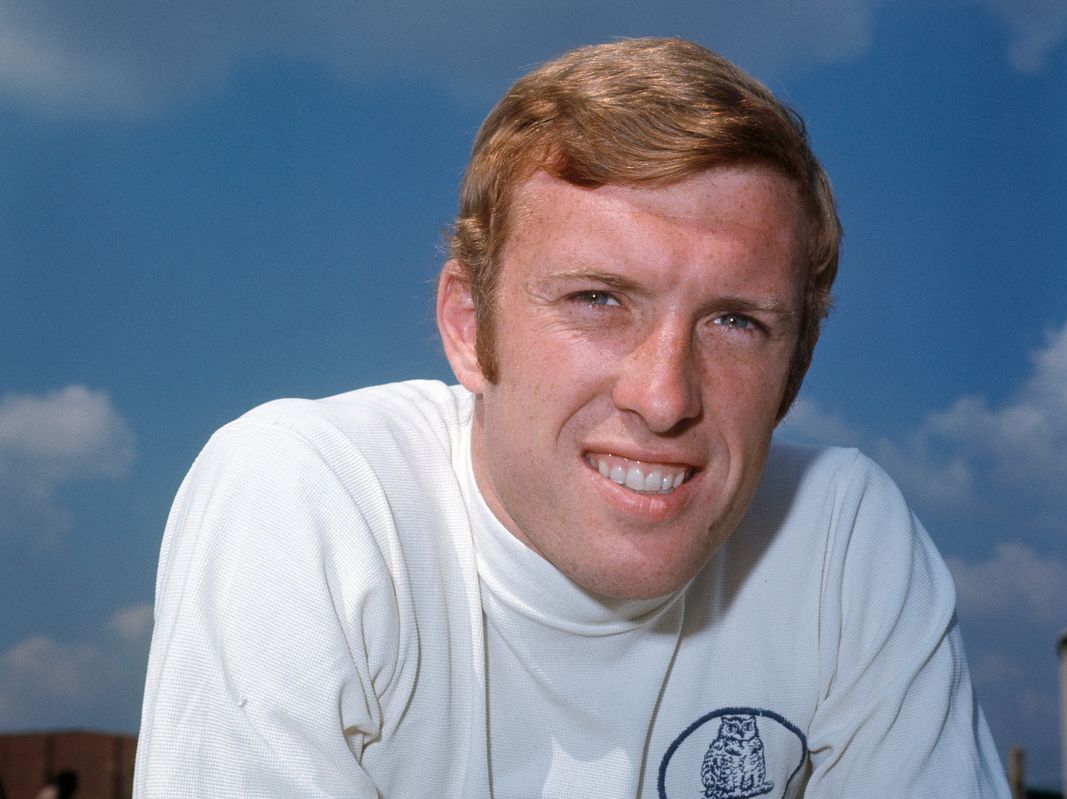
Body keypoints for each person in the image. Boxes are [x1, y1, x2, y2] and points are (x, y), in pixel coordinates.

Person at [134, 37, 1008, 797]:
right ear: (470, 330)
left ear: (797, 363)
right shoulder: (311, 498)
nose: (664, 397)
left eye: (736, 321)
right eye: (598, 299)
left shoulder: (842, 538)